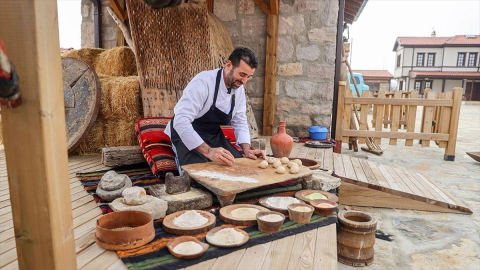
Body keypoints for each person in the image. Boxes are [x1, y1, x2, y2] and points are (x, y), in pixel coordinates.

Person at [165, 47, 266, 170]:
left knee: (238, 167)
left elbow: (239, 120)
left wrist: (247, 149)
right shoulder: (203, 82)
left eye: (248, 76)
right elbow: (180, 121)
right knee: (198, 176)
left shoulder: (238, 88)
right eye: (242, 74)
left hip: (212, 135)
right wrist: (208, 151)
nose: (244, 81)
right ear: (228, 65)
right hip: (186, 133)